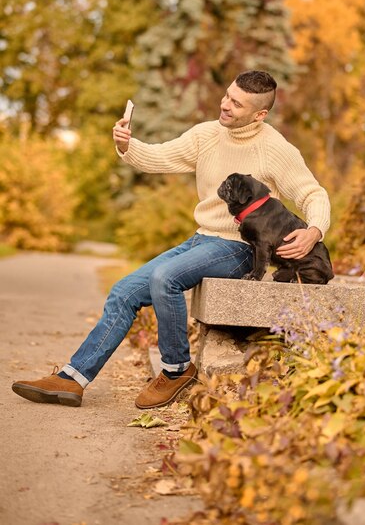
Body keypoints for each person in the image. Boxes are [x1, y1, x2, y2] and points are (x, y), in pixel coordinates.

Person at [12, 70, 330, 409]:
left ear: (259, 114)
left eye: (236, 104)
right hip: (200, 240)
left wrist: (314, 231)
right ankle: (73, 379)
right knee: (123, 292)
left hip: (239, 248)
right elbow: (160, 157)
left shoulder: (275, 148)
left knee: (166, 278)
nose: (225, 105)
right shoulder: (207, 134)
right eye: (226, 96)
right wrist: (127, 146)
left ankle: (177, 369)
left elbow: (313, 194)